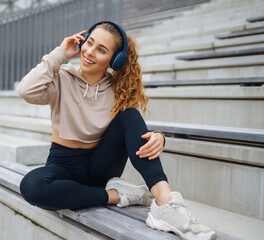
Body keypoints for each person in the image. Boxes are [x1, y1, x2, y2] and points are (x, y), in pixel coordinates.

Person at [17, 21, 216, 240]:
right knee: (32, 186)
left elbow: (132, 127)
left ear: (114, 60)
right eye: (89, 43)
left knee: (129, 114)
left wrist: (159, 136)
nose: (90, 52)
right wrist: (60, 54)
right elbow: (26, 90)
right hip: (63, 165)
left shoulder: (117, 89)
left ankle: (165, 203)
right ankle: (116, 195)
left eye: (101, 50)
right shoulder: (61, 78)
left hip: (100, 167)